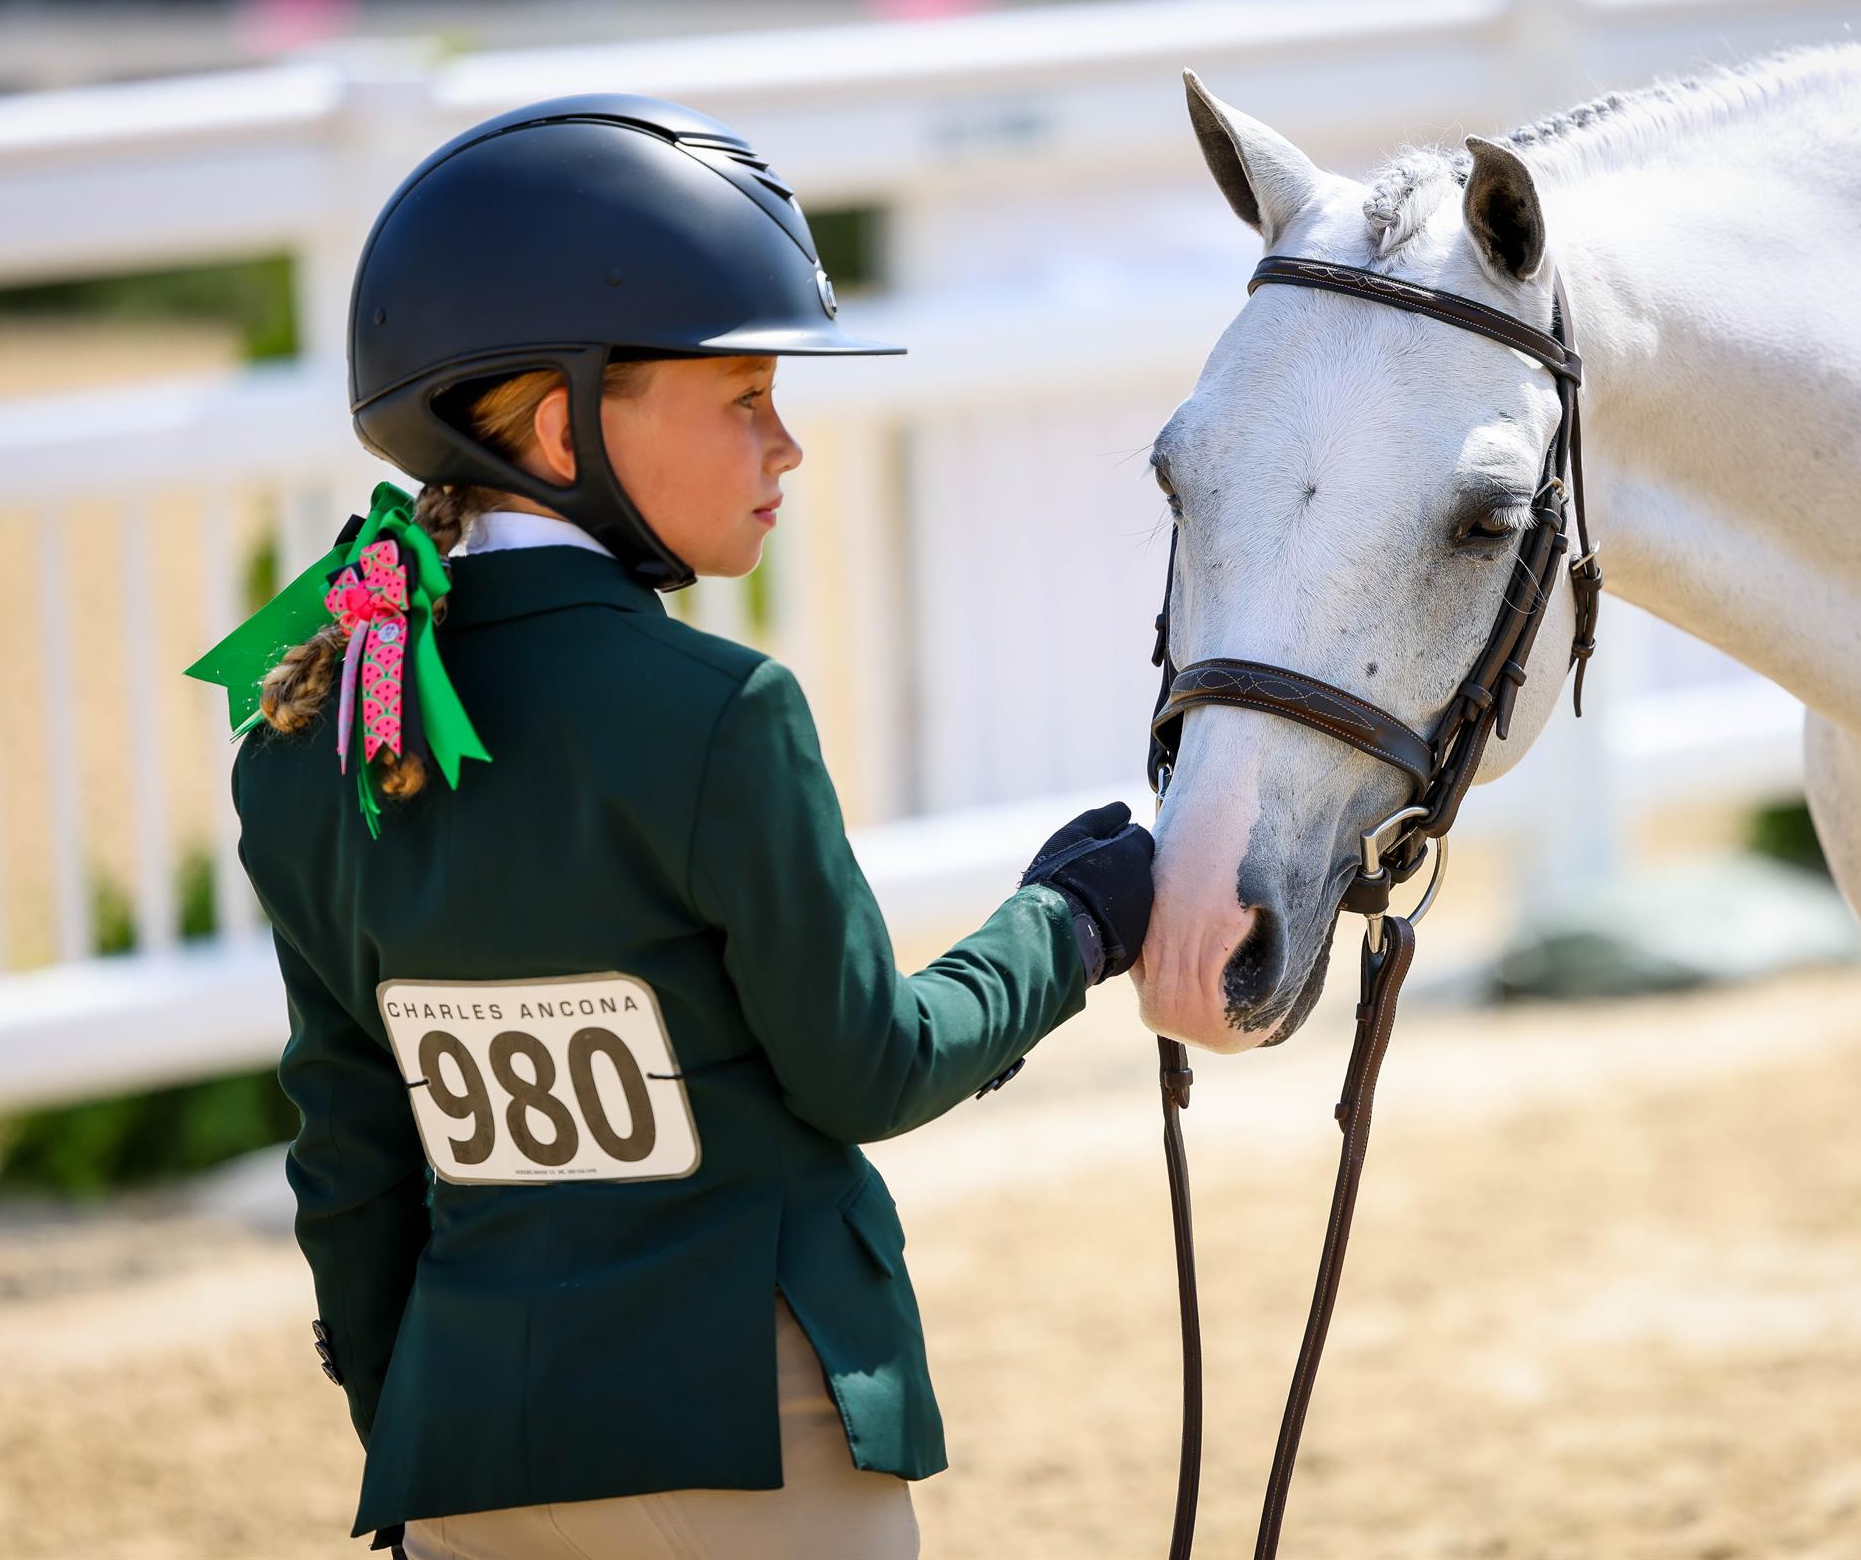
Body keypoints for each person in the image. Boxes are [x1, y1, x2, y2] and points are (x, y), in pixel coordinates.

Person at [185, 95, 1154, 1560]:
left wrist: (415, 1433)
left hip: (469, 1452)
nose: (787, 446)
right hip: (748, 1436)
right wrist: (1070, 925)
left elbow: (353, 1149)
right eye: (744, 395)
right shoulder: (721, 712)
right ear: (564, 423)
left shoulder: (311, 730)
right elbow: (871, 1064)